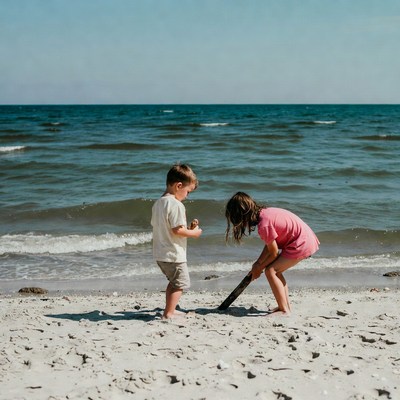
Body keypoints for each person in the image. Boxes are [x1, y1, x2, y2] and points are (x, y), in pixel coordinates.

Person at [225, 192, 319, 316]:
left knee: (271, 271)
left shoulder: (264, 225)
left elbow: (274, 253)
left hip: (300, 243)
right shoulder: (264, 214)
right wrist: (258, 264)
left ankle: (283, 309)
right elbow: (271, 245)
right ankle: (285, 306)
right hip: (305, 239)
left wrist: (260, 268)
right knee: (276, 271)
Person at [151, 164, 202, 319]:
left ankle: (170, 309)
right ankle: (169, 314)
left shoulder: (158, 203)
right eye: (187, 192)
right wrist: (194, 233)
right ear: (178, 185)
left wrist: (187, 228)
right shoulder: (176, 204)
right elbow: (177, 230)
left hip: (161, 253)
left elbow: (168, 228)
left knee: (174, 283)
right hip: (174, 255)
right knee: (180, 283)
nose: (187, 196)